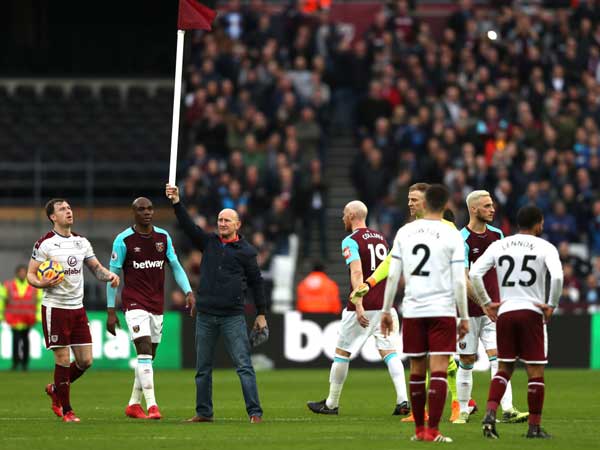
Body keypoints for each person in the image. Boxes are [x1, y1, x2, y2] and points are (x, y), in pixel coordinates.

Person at [351, 182, 464, 422]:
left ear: (427, 201)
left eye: (414, 199)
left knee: (445, 362)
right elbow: (391, 262)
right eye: (409, 199)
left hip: (443, 300)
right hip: (415, 303)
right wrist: (368, 284)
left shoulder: (448, 228)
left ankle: (457, 404)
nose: (410, 203)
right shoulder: (408, 230)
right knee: (420, 361)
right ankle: (420, 412)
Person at [165, 184, 267, 424]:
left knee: (243, 366)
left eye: (227, 221)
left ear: (237, 225)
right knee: (202, 369)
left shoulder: (247, 251)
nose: (222, 224)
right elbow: (189, 227)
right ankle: (204, 413)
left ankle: (255, 412)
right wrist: (177, 202)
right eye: (220, 220)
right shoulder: (209, 242)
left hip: (233, 316)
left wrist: (261, 313)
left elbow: (257, 283)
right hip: (206, 315)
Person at [380, 184, 469, 443]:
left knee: (417, 370)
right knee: (439, 370)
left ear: (426, 202)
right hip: (442, 309)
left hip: (413, 309)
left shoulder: (405, 232)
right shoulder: (452, 234)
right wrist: (463, 316)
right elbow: (460, 281)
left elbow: (394, 274)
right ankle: (434, 431)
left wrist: (386, 309)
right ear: (445, 205)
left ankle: (419, 431)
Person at [307, 200, 409, 416]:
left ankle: (332, 403)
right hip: (385, 305)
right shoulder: (381, 238)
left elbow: (356, 273)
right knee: (390, 353)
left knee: (342, 353)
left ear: (352, 215)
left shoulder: (350, 240)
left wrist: (359, 304)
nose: (343, 217)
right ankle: (403, 401)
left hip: (361, 306)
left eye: (345, 214)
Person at [471, 205, 563, 439]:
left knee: (504, 369)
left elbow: (474, 274)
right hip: (531, 313)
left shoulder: (499, 245)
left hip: (506, 312)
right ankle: (534, 428)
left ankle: (491, 413)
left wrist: (487, 302)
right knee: (535, 372)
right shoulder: (545, 247)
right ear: (539, 223)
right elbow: (558, 276)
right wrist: (551, 304)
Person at [27, 198, 119, 422]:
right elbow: (31, 274)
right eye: (62, 209)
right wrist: (42, 284)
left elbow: (95, 268)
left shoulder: (82, 242)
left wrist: (110, 275)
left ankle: (55, 389)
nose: (68, 211)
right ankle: (67, 410)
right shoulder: (45, 244)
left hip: (77, 308)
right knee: (62, 357)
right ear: (52, 217)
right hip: (55, 308)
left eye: (69, 208)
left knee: (85, 361)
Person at [106, 197, 195, 420]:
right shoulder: (123, 240)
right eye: (141, 209)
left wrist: (188, 291)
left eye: (149, 209)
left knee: (148, 357)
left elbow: (175, 266)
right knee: (144, 350)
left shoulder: (163, 237)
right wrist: (110, 309)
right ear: (133, 213)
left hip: (157, 304)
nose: (146, 212)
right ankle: (153, 406)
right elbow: (112, 277)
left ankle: (133, 404)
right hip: (134, 303)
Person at [454, 190, 528, 424]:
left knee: (500, 359)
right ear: (474, 209)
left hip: (494, 311)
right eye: (487, 206)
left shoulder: (498, 235)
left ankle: (507, 409)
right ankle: (463, 410)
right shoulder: (460, 239)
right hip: (467, 311)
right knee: (466, 361)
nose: (492, 209)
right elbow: (463, 279)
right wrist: (484, 303)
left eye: (492, 205)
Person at [0, 264, 42, 371]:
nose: (22, 274)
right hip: (14, 318)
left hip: (28, 318)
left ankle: (24, 364)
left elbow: (39, 301)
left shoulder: (33, 286)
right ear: (17, 273)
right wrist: (1, 315)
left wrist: (38, 316)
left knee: (25, 341)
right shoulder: (8, 285)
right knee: (15, 341)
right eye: (21, 272)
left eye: (24, 272)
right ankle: (15, 363)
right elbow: (2, 300)